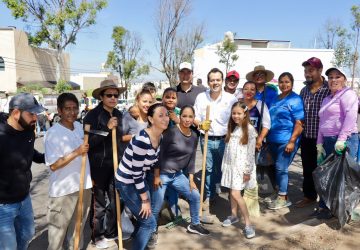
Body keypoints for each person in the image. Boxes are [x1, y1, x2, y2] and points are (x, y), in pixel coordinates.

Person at [150, 105, 210, 246]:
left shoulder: (194, 135)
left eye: (190, 116)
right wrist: (157, 176)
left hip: (178, 175)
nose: (187, 119)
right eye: (184, 116)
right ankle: (151, 231)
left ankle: (194, 224)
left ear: (193, 118)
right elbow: (158, 155)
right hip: (163, 174)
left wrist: (190, 179)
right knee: (156, 205)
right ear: (179, 117)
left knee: (195, 196)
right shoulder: (170, 132)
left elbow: (192, 158)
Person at [115, 103, 169, 250]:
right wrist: (144, 199)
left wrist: (156, 177)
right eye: (160, 115)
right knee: (148, 222)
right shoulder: (142, 140)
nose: (165, 119)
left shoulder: (160, 136)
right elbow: (136, 172)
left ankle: (140, 243)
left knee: (145, 217)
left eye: (167, 115)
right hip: (126, 181)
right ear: (151, 119)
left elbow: (155, 160)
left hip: (139, 178)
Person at [44, 93, 92, 250]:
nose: (72, 112)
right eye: (67, 109)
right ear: (59, 111)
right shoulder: (53, 133)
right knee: (57, 235)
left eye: (74, 108)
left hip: (83, 186)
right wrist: (77, 152)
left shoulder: (79, 127)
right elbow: (54, 165)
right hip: (63, 192)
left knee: (77, 230)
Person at [83, 79, 126, 249]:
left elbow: (119, 140)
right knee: (99, 203)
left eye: (116, 95)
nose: (113, 98)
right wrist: (107, 129)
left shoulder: (119, 114)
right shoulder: (91, 116)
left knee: (117, 199)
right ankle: (97, 235)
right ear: (101, 96)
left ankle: (110, 231)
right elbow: (89, 143)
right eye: (109, 95)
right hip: (98, 165)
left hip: (115, 164)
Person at [0, 93, 45, 250]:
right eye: (31, 113)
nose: (35, 118)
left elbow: (30, 152)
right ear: (16, 113)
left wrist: (47, 158)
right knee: (8, 246)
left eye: (36, 113)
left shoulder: (28, 130)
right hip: (3, 205)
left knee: (27, 234)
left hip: (24, 198)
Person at [315, 67, 359, 219]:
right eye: (330, 77)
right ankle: (328, 207)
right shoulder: (327, 99)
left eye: (337, 77)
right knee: (327, 176)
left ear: (344, 79)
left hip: (344, 140)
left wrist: (341, 139)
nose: (333, 80)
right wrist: (319, 144)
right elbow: (323, 122)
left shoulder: (348, 94)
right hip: (328, 141)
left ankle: (345, 210)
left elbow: (350, 117)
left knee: (345, 177)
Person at [194, 68, 238, 209]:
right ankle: (209, 195)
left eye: (218, 80)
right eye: (212, 80)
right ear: (208, 82)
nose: (215, 82)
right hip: (206, 138)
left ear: (222, 81)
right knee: (208, 169)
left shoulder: (231, 99)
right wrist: (200, 124)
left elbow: (237, 118)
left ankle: (234, 197)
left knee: (227, 168)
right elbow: (195, 117)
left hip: (225, 140)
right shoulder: (201, 97)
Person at [296, 57, 331, 208]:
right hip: (307, 137)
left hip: (323, 139)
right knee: (308, 169)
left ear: (320, 71)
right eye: (305, 71)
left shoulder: (328, 89)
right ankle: (309, 196)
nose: (307, 74)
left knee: (325, 170)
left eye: (311, 70)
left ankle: (326, 200)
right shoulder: (303, 91)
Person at [266, 72, 304, 210]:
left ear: (292, 83)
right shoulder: (276, 98)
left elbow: (299, 123)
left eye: (287, 82)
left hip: (287, 140)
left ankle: (283, 198)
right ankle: (278, 192)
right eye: (281, 82)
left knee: (281, 168)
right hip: (273, 139)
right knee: (275, 167)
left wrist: (292, 141)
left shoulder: (295, 100)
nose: (284, 84)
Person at [220, 101, 256, 239]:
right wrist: (225, 165)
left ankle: (248, 224)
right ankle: (233, 215)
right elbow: (228, 150)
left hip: (241, 168)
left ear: (245, 114)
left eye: (239, 113)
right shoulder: (233, 128)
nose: (236, 116)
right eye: (234, 113)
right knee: (231, 190)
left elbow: (250, 153)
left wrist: (247, 171)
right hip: (231, 166)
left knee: (236, 193)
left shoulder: (250, 130)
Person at [242, 81, 271, 149]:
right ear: (242, 91)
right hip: (239, 142)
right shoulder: (238, 104)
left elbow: (267, 125)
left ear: (256, 92)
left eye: (252, 89)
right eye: (246, 89)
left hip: (254, 143)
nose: (249, 91)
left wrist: (260, 139)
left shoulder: (260, 104)